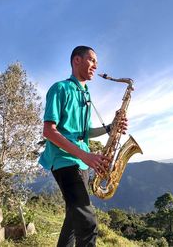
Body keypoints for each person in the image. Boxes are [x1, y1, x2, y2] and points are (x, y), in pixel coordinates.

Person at [39, 45, 127, 247]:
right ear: (76, 60)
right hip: (64, 161)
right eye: (92, 60)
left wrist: (111, 128)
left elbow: (86, 132)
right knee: (87, 224)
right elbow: (49, 131)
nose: (96, 66)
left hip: (82, 163)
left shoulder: (86, 94)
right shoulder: (59, 88)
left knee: (73, 219)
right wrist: (85, 156)